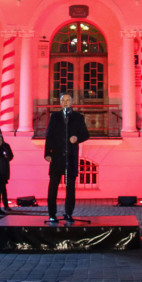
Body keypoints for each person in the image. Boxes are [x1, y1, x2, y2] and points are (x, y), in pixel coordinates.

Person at [44, 92, 89, 222]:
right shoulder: (55, 117)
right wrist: (47, 153)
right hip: (57, 156)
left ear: (72, 102)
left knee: (70, 188)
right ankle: (52, 214)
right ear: (60, 103)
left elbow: (86, 134)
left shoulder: (78, 117)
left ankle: (68, 213)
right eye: (63, 100)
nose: (65, 103)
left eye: (68, 100)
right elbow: (49, 135)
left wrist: (77, 138)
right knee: (53, 186)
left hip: (71, 157)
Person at [0, 132, 14, 212]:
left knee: (3, 190)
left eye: (1, 140)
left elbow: (10, 156)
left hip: (3, 172)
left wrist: (6, 158)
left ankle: (5, 205)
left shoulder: (4, 149)